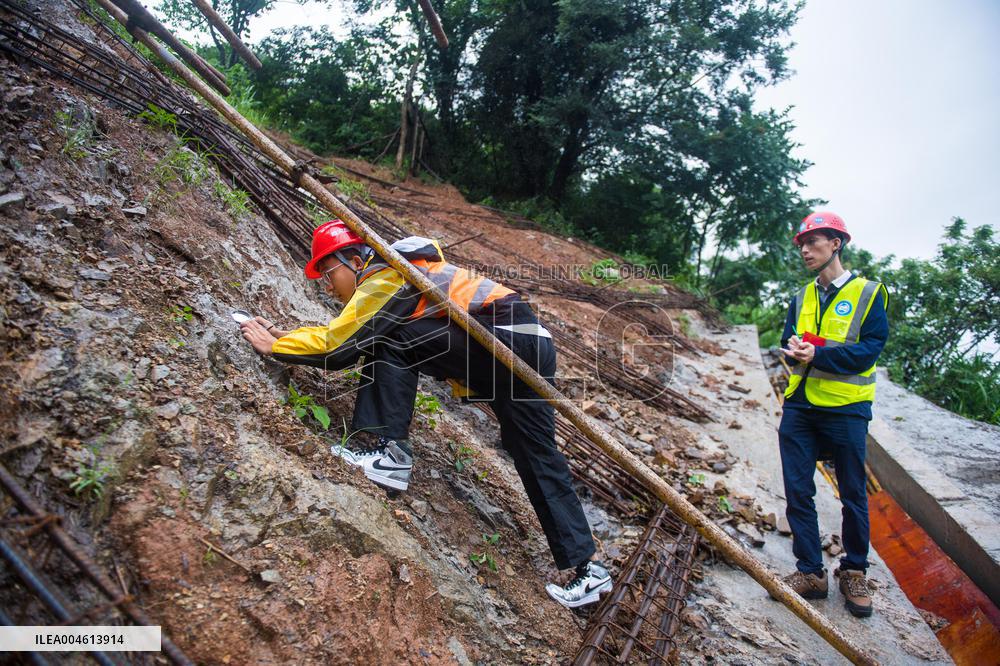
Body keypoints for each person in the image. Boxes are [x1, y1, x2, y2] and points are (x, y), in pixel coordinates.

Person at [239, 219, 612, 608]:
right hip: (531, 342)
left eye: (329, 273)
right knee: (535, 453)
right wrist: (287, 337)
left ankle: (389, 454)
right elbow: (345, 335)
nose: (328, 287)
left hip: (505, 339)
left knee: (392, 336)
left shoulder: (388, 272)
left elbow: (341, 347)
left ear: (355, 261)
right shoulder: (410, 270)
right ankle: (589, 571)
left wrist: (276, 348)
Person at [776, 211, 889, 618]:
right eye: (802, 245)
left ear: (836, 243)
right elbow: (787, 341)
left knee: (853, 494)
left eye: (813, 242)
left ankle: (854, 571)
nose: (805, 250)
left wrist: (818, 353)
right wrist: (794, 350)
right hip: (801, 405)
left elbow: (869, 351)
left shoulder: (869, 293)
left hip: (846, 409)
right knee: (797, 491)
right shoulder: (801, 297)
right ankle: (810, 572)